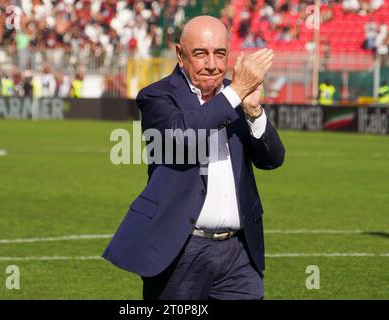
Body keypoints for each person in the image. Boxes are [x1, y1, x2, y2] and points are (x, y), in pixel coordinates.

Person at [103, 16, 285, 300]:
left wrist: (253, 112)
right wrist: (236, 93)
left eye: (220, 53)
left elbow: (272, 159)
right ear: (180, 55)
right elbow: (181, 137)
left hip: (238, 251)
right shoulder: (156, 96)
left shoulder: (236, 99)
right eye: (200, 53)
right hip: (181, 250)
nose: (212, 64)